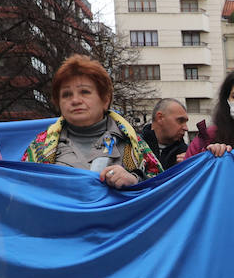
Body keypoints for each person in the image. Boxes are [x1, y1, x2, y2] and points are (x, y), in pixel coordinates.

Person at [21, 55, 160, 187]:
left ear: (105, 99)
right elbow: (21, 192)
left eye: (85, 92)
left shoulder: (132, 143)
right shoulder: (40, 147)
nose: (75, 100)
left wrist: (135, 180)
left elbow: (162, 190)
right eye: (66, 94)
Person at [139, 98, 189, 171]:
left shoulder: (189, 155)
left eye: (185, 122)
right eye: (180, 121)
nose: (186, 128)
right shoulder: (133, 149)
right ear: (160, 118)